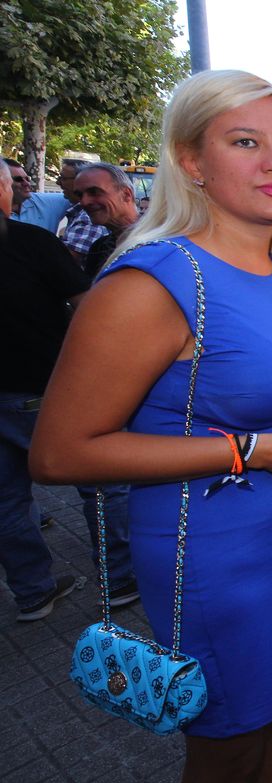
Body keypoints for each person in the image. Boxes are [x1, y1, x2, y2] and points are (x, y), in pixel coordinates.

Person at [29, 69, 272, 783]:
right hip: (212, 554)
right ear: (190, 159)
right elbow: (58, 453)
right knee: (228, 745)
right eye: (246, 142)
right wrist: (254, 449)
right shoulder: (152, 283)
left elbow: (255, 379)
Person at [0, 155, 88, 621]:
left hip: (22, 391)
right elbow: (89, 309)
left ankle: (32, 590)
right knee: (98, 482)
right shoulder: (31, 243)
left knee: (8, 499)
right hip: (39, 389)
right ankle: (123, 577)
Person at [75, 163, 142, 278]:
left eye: (94, 192)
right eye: (80, 195)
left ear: (126, 194)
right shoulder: (99, 248)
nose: (84, 202)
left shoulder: (161, 240)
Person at [56, 162, 109, 268]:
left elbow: (63, 262)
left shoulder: (88, 217)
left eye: (63, 178)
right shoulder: (78, 212)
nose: (58, 182)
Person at [5, 158, 69, 233]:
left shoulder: (46, 203)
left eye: (27, 179)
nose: (27, 184)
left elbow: (79, 198)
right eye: (18, 179)